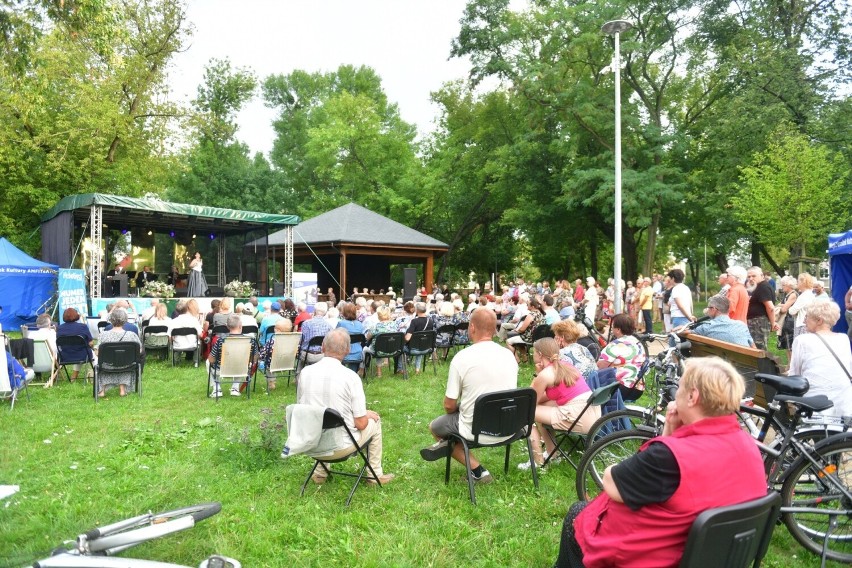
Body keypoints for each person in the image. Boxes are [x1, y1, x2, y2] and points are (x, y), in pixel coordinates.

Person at [555, 357, 766, 568]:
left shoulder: (669, 458)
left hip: (651, 559)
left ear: (692, 396)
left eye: (680, 387)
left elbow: (611, 482)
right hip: (717, 557)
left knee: (577, 514)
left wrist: (666, 440)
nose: (676, 395)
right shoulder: (750, 446)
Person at [420, 308, 519, 484]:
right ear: (494, 328)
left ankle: (477, 471)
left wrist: (463, 407)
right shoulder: (509, 355)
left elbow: (449, 406)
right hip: (510, 426)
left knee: (435, 427)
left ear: (472, 327)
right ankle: (447, 445)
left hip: (475, 429)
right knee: (452, 425)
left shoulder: (462, 358)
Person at [297, 328, 395, 485]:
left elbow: (303, 408)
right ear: (348, 350)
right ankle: (374, 475)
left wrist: (360, 413)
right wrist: (364, 414)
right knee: (374, 421)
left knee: (325, 419)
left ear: (322, 346)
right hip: (340, 447)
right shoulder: (350, 377)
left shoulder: (305, 372)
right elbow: (361, 424)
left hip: (311, 443)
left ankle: (320, 473)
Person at [518, 338, 596, 470]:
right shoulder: (566, 366)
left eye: (534, 353)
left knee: (526, 412)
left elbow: (530, 401)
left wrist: (537, 376)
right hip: (591, 413)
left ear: (540, 354)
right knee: (543, 407)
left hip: (579, 417)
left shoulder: (545, 374)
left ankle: (537, 461)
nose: (533, 355)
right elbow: (545, 397)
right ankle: (552, 454)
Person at [789, 299, 852, 417]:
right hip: (845, 404)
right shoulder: (843, 339)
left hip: (816, 405)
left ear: (819, 320)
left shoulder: (802, 340)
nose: (804, 320)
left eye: (807, 316)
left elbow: (795, 376)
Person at [597, 314, 647, 401]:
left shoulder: (616, 345)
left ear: (618, 329)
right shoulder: (638, 343)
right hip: (637, 387)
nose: (611, 329)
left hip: (619, 387)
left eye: (613, 327)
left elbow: (600, 367)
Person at [208, 313, 258, 398]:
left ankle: (217, 389)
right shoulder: (251, 340)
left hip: (222, 370)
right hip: (242, 369)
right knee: (241, 360)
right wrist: (248, 361)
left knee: (207, 362)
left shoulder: (221, 340)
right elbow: (255, 358)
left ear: (227, 327)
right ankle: (235, 388)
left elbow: (211, 359)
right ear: (240, 326)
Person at [96, 308, 142, 398]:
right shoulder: (132, 335)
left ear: (111, 319)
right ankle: (122, 390)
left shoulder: (103, 335)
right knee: (122, 363)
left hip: (107, 365)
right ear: (125, 320)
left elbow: (98, 353)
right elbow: (139, 351)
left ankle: (102, 391)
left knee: (103, 363)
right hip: (128, 364)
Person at [690, 295, 755, 348]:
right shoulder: (742, 325)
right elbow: (753, 347)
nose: (707, 310)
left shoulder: (707, 327)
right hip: (745, 362)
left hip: (720, 362)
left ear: (713, 309)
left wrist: (681, 327)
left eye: (708, 307)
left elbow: (684, 332)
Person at [56, 307, 95, 382]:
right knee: (93, 355)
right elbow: (91, 343)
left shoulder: (59, 328)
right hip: (82, 355)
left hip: (65, 356)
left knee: (78, 350)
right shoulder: (83, 327)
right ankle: (96, 376)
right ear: (76, 316)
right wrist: (92, 347)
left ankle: (74, 377)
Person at [745, 266, 777, 350]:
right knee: (754, 348)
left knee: (759, 349)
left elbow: (770, 307)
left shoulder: (763, 287)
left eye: (754, 276)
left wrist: (773, 322)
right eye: (749, 276)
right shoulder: (757, 286)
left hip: (759, 323)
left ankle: (762, 363)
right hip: (755, 322)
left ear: (762, 276)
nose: (751, 278)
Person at [507, 296, 544, 363]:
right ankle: (525, 360)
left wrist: (516, 330)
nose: (526, 305)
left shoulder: (531, 315)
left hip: (529, 338)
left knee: (508, 341)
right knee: (519, 341)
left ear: (532, 307)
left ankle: (517, 360)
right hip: (538, 338)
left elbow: (522, 329)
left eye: (528, 304)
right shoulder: (541, 314)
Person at [298, 302, 332, 369]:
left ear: (314, 311)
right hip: (321, 355)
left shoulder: (306, 323)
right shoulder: (329, 326)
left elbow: (301, 340)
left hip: (307, 355)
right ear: (325, 313)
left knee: (300, 362)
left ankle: (299, 376)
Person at [403, 302, 435, 373]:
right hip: (426, 348)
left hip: (413, 349)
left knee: (400, 346)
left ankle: (401, 369)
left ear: (417, 311)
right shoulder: (430, 320)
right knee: (420, 343)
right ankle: (417, 370)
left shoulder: (414, 321)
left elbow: (407, 338)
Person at [336, 302, 365, 373]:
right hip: (358, 353)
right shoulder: (360, 324)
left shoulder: (341, 324)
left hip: (343, 354)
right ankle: (353, 373)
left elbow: (335, 338)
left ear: (344, 312)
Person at [788, 272, 817, 339]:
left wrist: (790, 308)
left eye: (798, 281)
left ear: (803, 282)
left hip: (802, 325)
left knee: (800, 347)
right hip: (809, 324)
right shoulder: (811, 294)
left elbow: (792, 311)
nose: (796, 283)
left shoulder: (804, 296)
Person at [776, 275, 798, 358]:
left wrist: (779, 306)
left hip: (790, 322)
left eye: (783, 285)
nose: (782, 287)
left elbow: (784, 309)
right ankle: (789, 366)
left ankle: (791, 367)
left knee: (790, 347)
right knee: (787, 346)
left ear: (789, 285)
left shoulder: (793, 295)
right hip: (786, 322)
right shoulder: (787, 295)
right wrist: (781, 305)